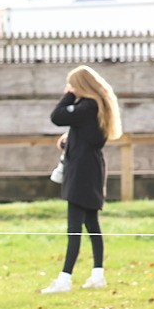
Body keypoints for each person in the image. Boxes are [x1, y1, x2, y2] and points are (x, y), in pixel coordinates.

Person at [41, 65, 123, 294]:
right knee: (91, 224)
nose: (70, 90)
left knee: (74, 226)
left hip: (82, 173)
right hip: (91, 169)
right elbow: (89, 137)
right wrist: (69, 141)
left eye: (73, 85)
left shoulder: (87, 106)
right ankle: (98, 275)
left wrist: (69, 95)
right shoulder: (95, 107)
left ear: (81, 86)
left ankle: (64, 280)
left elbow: (56, 116)